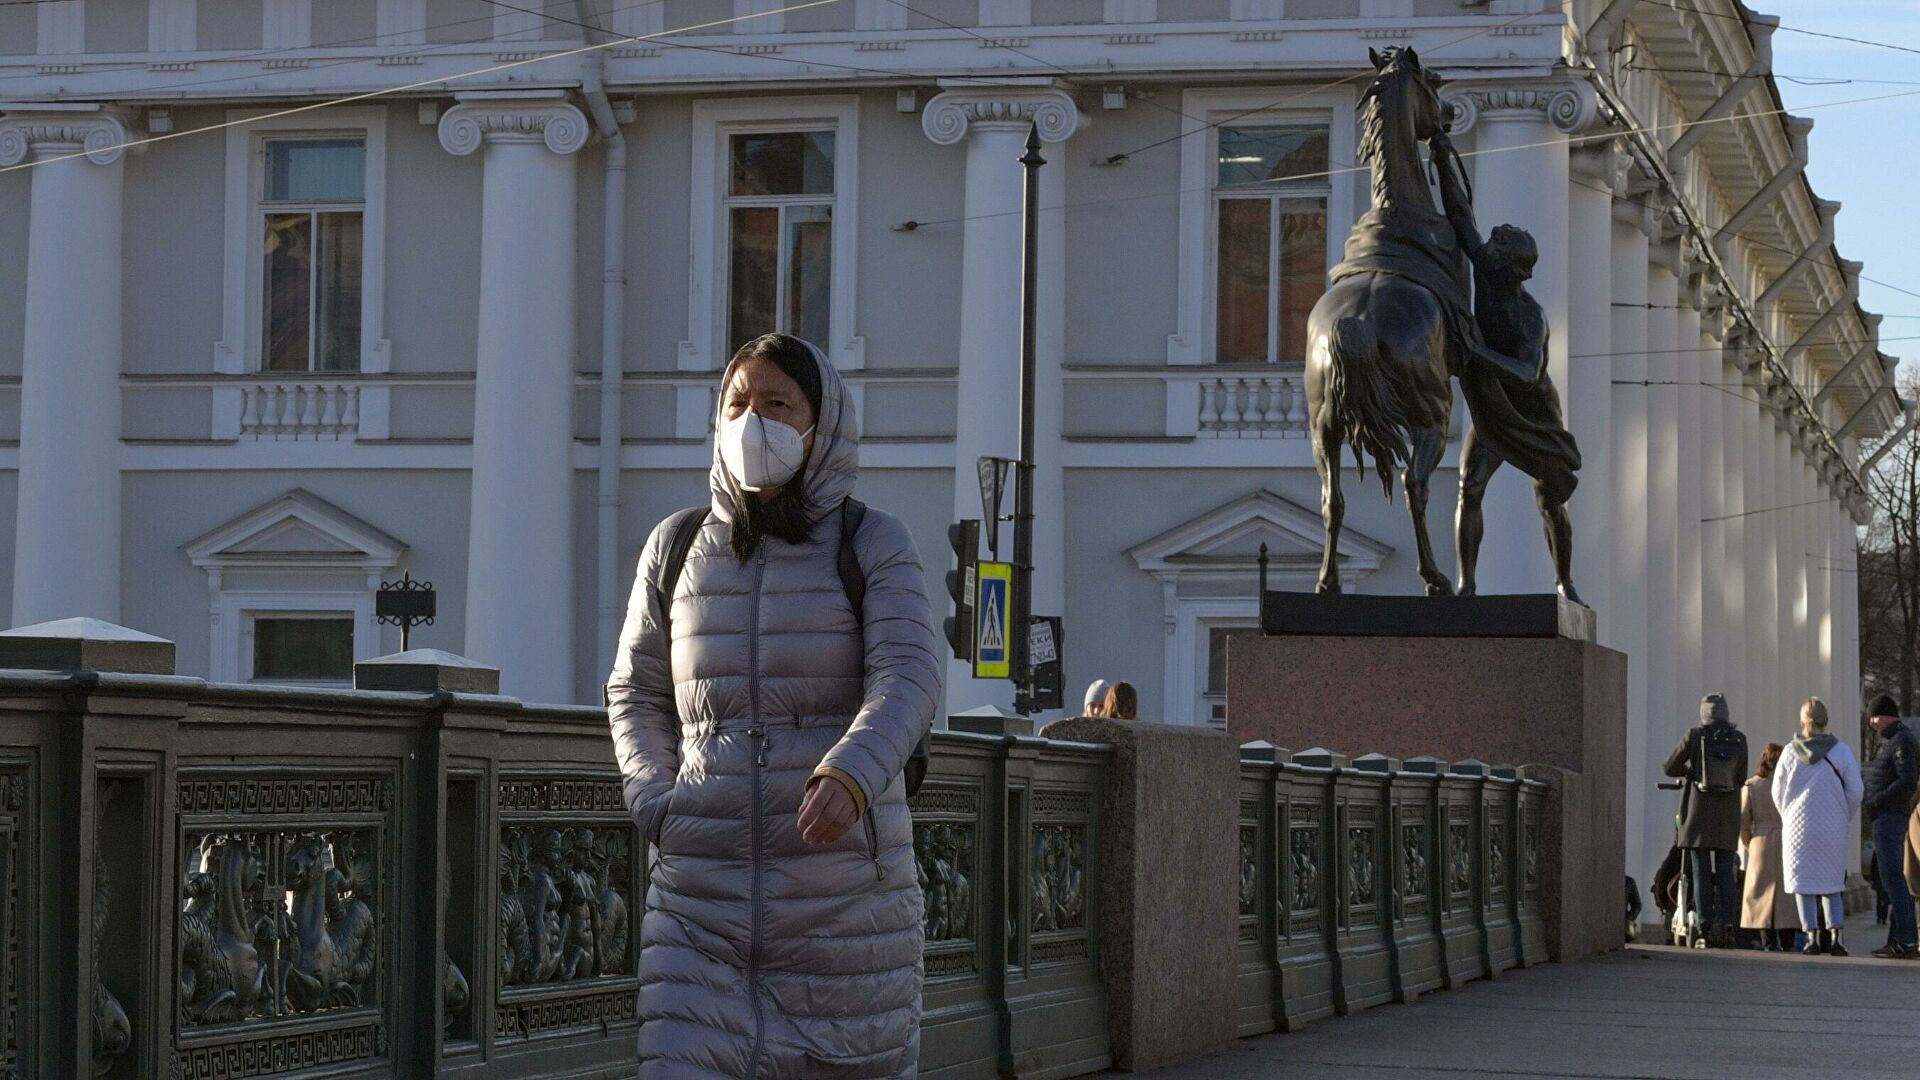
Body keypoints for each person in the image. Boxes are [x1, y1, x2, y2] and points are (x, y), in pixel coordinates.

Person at [606, 332, 942, 1074]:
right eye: (738, 403)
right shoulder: (676, 546)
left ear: (820, 426)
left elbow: (911, 675)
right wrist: (658, 798)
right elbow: (636, 688)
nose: (751, 420)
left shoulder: (873, 543)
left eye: (776, 403)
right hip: (700, 908)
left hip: (842, 908)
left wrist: (852, 773)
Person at [1428, 132, 1583, 604]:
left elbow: (1527, 374)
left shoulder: (1529, 315)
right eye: (1490, 246)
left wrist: (1475, 351)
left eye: (1496, 250)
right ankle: (1467, 586)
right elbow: (1461, 216)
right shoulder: (1489, 269)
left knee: (1549, 498)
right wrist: (1440, 150)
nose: (1486, 252)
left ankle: (1563, 582)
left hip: (1532, 412)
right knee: (1468, 485)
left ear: (1515, 269)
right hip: (1491, 408)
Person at [1772, 698, 1863, 955]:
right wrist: (1842, 813)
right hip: (1832, 827)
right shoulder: (1842, 751)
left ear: (1802, 721)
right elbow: (1856, 791)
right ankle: (1836, 936)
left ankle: (1810, 936)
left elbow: (1777, 792)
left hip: (1798, 829)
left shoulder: (1790, 752)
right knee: (1832, 883)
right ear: (1826, 722)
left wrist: (1788, 815)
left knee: (1804, 883)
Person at [1663, 693, 1748, 947]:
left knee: (1699, 870)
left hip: (1699, 811)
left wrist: (1690, 771)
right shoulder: (1739, 739)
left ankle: (1705, 926)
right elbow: (1741, 776)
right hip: (1727, 814)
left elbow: (1669, 767)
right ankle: (1729, 926)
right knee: (1725, 872)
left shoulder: (1695, 736)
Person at [1862, 694, 1918, 959]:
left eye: (1874, 717)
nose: (1872, 723)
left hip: (1889, 817)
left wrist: (1876, 802)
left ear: (1885, 715)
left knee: (1893, 880)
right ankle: (1898, 939)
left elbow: (1907, 781)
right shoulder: (1897, 740)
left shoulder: (1901, 740)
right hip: (1888, 816)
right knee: (1893, 880)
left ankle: (1906, 939)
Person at [1740, 743, 1796, 950]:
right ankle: (1788, 941)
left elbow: (1744, 822)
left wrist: (1750, 844)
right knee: (1787, 895)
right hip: (1786, 839)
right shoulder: (1790, 785)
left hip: (1760, 840)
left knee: (1761, 894)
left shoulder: (1751, 785)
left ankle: (1768, 941)